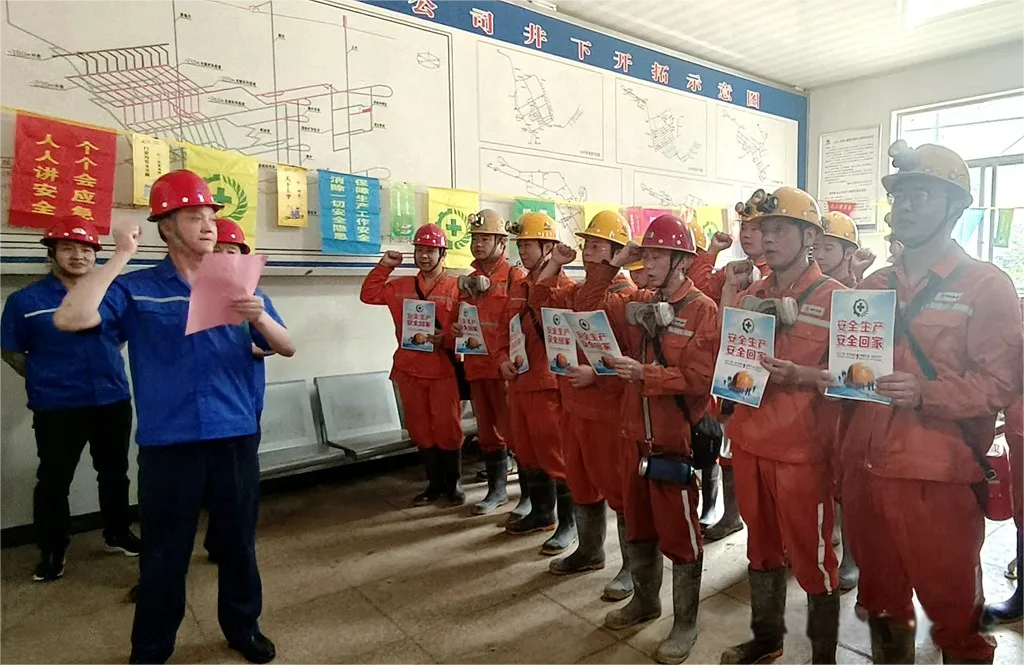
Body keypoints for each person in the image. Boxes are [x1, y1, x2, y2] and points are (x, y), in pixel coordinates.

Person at [54, 170, 294, 665]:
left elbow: (286, 345)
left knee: (238, 544)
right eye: (193, 216)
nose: (207, 225)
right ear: (166, 227)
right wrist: (120, 255)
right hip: (169, 440)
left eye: (211, 216)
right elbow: (71, 317)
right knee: (164, 551)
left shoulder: (237, 283)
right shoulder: (137, 288)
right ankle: (151, 647)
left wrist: (258, 315)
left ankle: (243, 626)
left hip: (234, 433)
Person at [836, 141, 1024, 665]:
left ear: (955, 207)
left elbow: (999, 383)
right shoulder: (873, 286)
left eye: (923, 194)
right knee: (881, 605)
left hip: (936, 481)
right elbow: (850, 375)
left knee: (956, 616)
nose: (907, 205)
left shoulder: (986, 286)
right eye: (902, 195)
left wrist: (927, 393)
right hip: (866, 474)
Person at [576, 214, 720, 665]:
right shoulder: (638, 300)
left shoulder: (702, 310)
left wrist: (646, 374)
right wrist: (613, 264)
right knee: (637, 527)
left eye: (658, 256)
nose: (649, 264)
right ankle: (644, 602)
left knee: (681, 537)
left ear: (682, 261)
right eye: (647, 255)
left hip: (674, 441)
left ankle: (685, 623)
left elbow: (701, 379)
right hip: (633, 436)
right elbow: (586, 310)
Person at [718, 186, 844, 665]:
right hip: (750, 442)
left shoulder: (838, 300)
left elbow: (860, 381)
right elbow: (730, 364)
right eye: (762, 229)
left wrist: (803, 376)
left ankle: (823, 658)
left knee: (812, 557)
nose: (767, 239)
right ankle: (766, 640)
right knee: (760, 547)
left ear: (809, 236)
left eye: (779, 229)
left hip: (802, 452)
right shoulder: (753, 294)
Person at [0, 218, 140, 582]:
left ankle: (117, 532)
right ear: (52, 254)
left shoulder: (112, 294)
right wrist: (44, 376)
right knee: (54, 478)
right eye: (68, 248)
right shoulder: (24, 300)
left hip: (111, 397)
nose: (78, 256)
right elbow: (11, 351)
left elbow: (121, 337)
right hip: (57, 405)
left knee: (114, 472)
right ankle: (52, 548)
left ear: (96, 255)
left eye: (86, 249)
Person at [527, 210, 636, 602]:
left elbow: (634, 355)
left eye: (598, 245)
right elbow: (540, 303)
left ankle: (632, 566)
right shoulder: (578, 289)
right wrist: (554, 264)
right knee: (581, 480)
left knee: (620, 489)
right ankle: (590, 551)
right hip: (574, 404)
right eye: (587, 244)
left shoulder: (626, 294)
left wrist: (599, 375)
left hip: (608, 409)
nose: (589, 252)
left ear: (617, 251)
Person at [360, 224, 464, 506]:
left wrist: (446, 337)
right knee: (420, 429)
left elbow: (468, 329)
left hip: (443, 370)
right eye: (419, 250)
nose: (424, 256)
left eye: (430, 251)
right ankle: (433, 485)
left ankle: (453, 484)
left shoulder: (457, 287)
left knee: (448, 428)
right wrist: (385, 266)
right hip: (409, 369)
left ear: (442, 254)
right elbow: (368, 294)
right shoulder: (401, 286)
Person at [691, 197, 770, 545]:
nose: (748, 235)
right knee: (729, 450)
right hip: (730, 378)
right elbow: (697, 290)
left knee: (761, 457)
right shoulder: (735, 270)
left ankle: (767, 532)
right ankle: (731, 516)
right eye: (744, 228)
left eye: (757, 229)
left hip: (764, 379)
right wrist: (711, 253)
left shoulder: (777, 278)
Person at [498, 211, 576, 556]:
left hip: (548, 384)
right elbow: (505, 327)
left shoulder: (563, 287)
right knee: (526, 451)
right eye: (521, 245)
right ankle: (543, 514)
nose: (523, 251)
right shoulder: (518, 285)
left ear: (548, 247)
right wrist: (501, 358)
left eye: (529, 244)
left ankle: (569, 524)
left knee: (555, 454)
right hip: (519, 382)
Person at [452, 210, 526, 517]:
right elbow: (458, 317)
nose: (478, 244)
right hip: (477, 367)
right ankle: (496, 491)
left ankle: (528, 496)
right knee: (487, 433)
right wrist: (456, 328)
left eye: (485, 239)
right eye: (475, 239)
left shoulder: (514, 277)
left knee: (516, 432)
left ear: (501, 243)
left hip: (506, 369)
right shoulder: (468, 281)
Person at [812, 211, 876, 288]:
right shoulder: (808, 287)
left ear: (848, 253)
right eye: (815, 248)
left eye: (828, 249)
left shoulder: (854, 291)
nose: (819, 256)